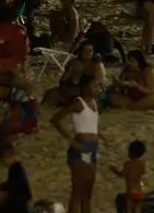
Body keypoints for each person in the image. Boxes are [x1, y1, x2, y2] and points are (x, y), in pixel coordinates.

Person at [50, 76, 102, 213]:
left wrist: (103, 137)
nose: (99, 89)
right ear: (86, 88)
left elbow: (91, 126)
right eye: (95, 86)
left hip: (92, 149)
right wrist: (71, 140)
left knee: (88, 192)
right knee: (78, 191)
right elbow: (55, 120)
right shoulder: (78, 103)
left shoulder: (94, 103)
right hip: (81, 148)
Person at [109, 140, 147, 213]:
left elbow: (121, 175)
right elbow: (143, 173)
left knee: (129, 210)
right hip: (140, 192)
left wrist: (113, 170)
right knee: (138, 210)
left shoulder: (128, 165)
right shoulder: (142, 164)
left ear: (131, 153)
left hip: (131, 193)